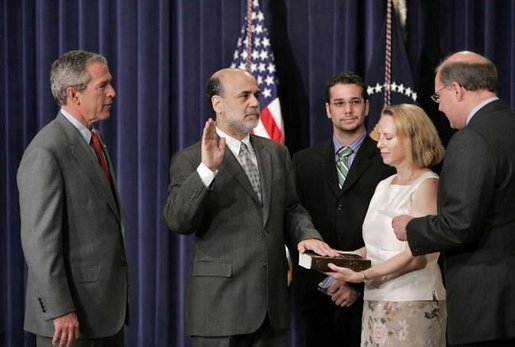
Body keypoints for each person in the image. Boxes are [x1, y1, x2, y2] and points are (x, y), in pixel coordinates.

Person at [163, 68, 338, 346]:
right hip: (220, 308)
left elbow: (291, 208)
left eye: (256, 94)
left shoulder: (276, 152)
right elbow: (178, 220)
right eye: (244, 96)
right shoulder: (190, 158)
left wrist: (307, 235)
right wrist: (207, 170)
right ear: (218, 104)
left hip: (270, 307)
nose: (255, 102)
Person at [392, 51, 515, 346]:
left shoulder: (471, 139)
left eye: (439, 98)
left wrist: (411, 227)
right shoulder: (508, 125)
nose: (441, 109)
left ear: (456, 89)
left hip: (484, 306)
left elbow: (460, 225)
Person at [17, 50, 128, 347]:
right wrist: (59, 309)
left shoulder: (95, 141)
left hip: (103, 315)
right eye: (103, 85)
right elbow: (39, 242)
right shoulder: (46, 151)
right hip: (68, 324)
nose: (112, 92)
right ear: (73, 95)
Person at [327, 103, 447, 347]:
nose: (379, 143)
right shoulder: (385, 184)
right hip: (376, 300)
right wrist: (336, 258)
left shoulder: (428, 184)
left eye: (388, 137)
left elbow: (416, 255)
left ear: (413, 139)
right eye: (379, 136)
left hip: (412, 301)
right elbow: (374, 247)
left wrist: (363, 274)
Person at [291, 72, 394, 347]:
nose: (348, 110)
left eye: (355, 101)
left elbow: (393, 235)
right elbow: (293, 224)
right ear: (328, 109)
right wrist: (328, 282)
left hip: (372, 295)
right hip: (317, 299)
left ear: (367, 106)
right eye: (339, 103)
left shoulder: (389, 160)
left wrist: (355, 283)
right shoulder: (302, 162)